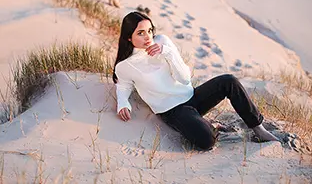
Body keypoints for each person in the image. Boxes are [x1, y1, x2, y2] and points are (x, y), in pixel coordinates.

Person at [112, 11, 279, 150]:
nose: (148, 37)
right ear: (128, 37)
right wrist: (123, 103)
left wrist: (167, 53)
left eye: (149, 30)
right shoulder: (125, 66)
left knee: (229, 81)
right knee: (206, 142)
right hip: (174, 111)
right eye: (140, 33)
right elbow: (124, 85)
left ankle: (258, 128)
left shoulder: (162, 42)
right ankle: (211, 127)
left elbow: (184, 79)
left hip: (192, 96)